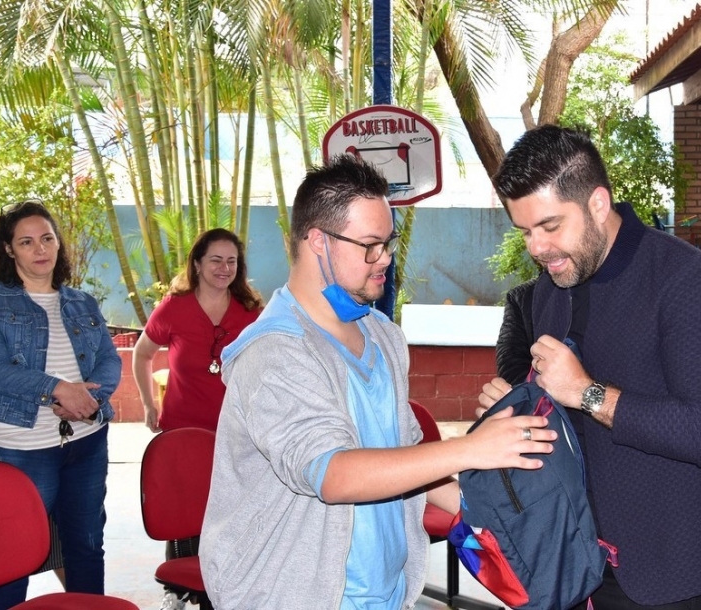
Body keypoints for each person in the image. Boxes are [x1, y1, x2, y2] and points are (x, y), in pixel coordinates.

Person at [199, 155, 557, 609]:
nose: (384, 258)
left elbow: (404, 462)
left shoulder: (382, 335)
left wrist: (488, 511)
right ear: (317, 242)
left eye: (388, 242)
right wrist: (474, 448)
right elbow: (333, 473)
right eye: (370, 244)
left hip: (385, 595)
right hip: (296, 595)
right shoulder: (275, 352)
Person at [479, 125, 701, 609]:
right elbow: (567, 426)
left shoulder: (689, 280)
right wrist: (519, 411)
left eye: (549, 226)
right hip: (570, 559)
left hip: (665, 571)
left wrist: (587, 392)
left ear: (598, 205)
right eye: (524, 231)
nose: (536, 248)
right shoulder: (550, 287)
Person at [0, 200, 121, 610]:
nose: (40, 249)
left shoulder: (81, 301)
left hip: (87, 441)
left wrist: (90, 399)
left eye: (47, 238)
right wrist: (57, 389)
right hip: (20, 447)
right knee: (13, 553)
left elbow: (109, 359)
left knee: (86, 544)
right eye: (27, 241)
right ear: (8, 249)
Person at [133, 228, 263, 433]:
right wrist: (148, 404)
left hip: (238, 434)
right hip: (181, 430)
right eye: (216, 260)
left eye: (232, 261)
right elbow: (142, 354)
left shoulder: (251, 312)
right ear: (197, 264)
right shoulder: (173, 308)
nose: (225, 267)